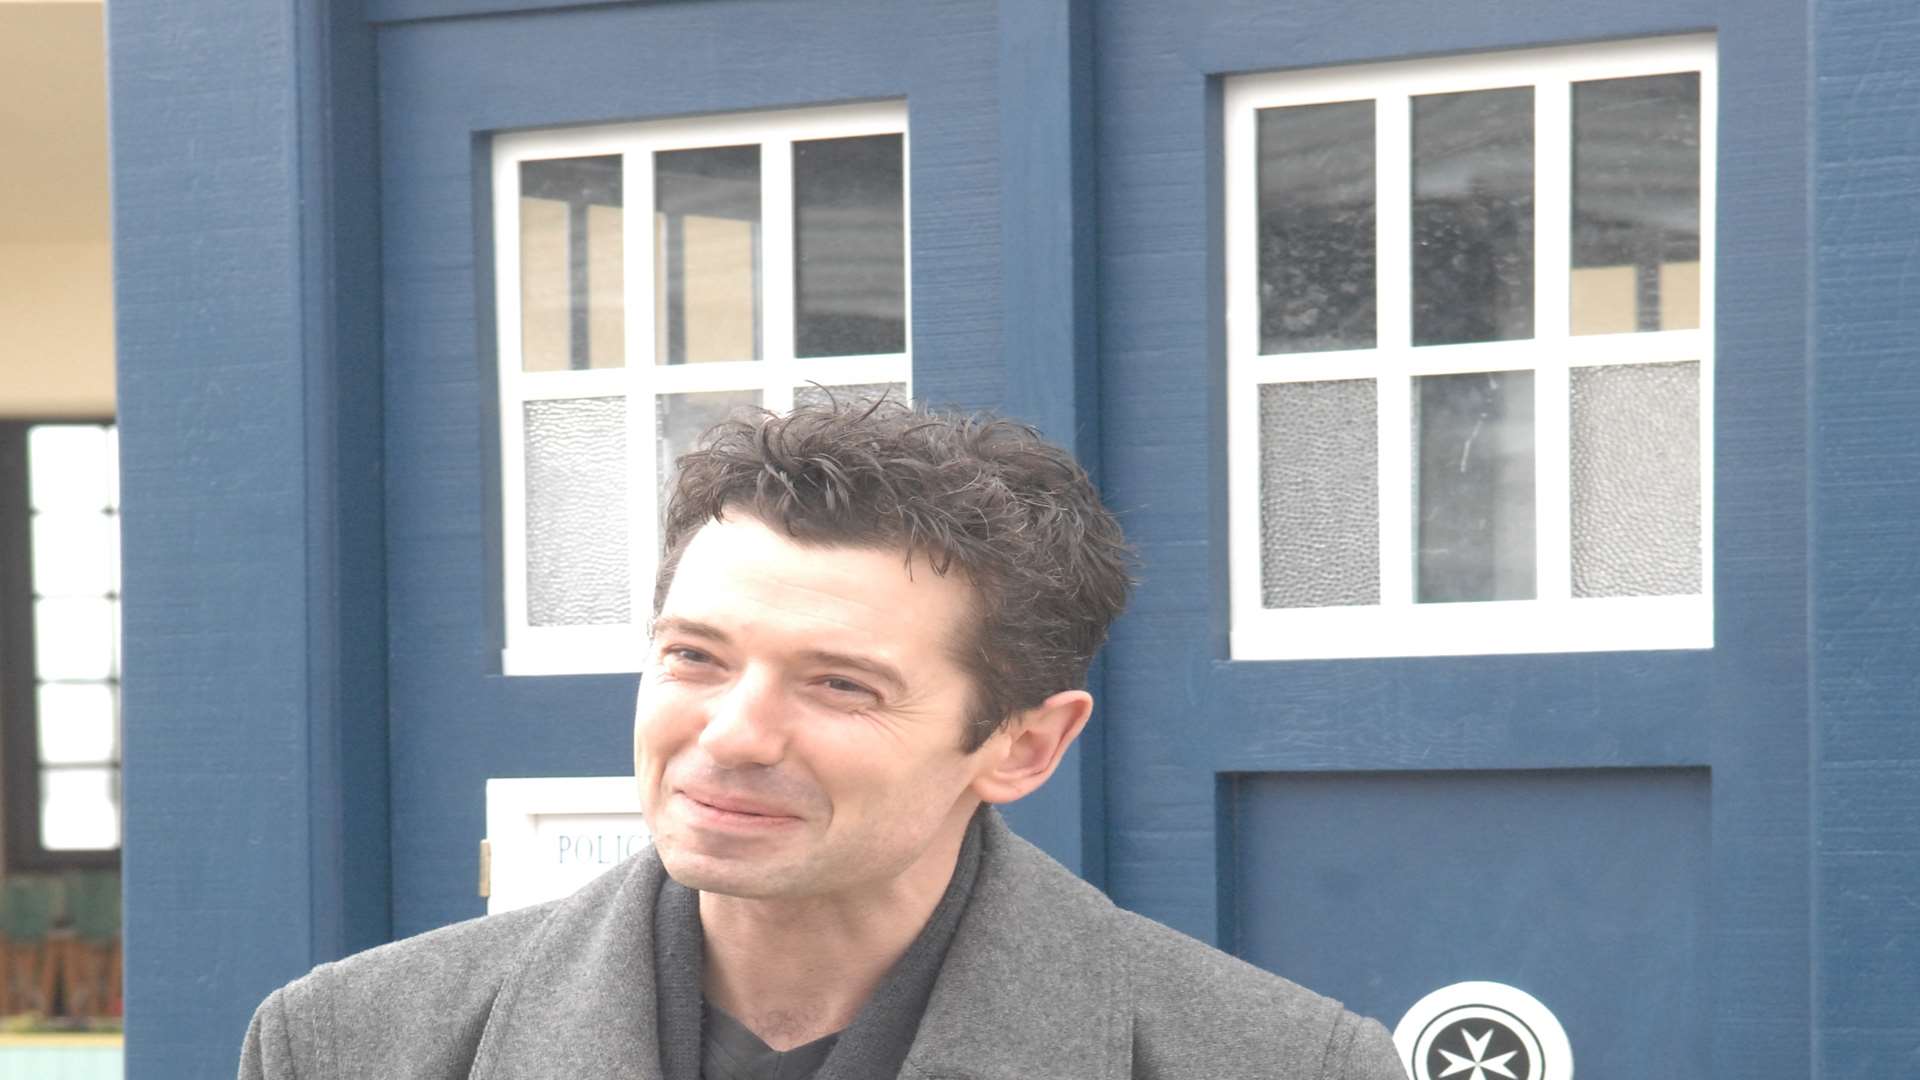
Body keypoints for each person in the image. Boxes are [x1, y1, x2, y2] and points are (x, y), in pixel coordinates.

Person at [239, 401, 1406, 1079]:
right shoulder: (351, 1045)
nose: (733, 734)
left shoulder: (1281, 1066)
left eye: (840, 685)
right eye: (694, 656)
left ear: (1023, 746)